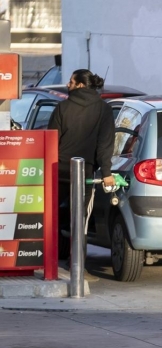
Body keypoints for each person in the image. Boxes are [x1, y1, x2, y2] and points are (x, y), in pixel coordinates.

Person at [48, 69, 115, 260]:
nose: (67, 85)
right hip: (85, 172)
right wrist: (106, 173)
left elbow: (52, 140)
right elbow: (105, 144)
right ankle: (76, 260)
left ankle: (52, 257)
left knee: (54, 215)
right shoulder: (104, 109)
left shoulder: (62, 107)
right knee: (80, 218)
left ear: (80, 85)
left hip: (58, 170)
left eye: (70, 82)